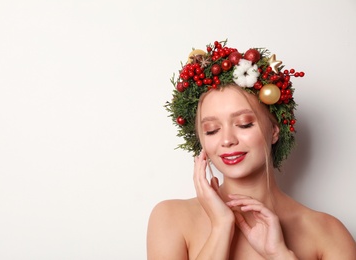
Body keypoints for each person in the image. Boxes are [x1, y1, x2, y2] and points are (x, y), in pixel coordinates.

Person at [147, 39, 356, 259]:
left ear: (275, 131)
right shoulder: (170, 218)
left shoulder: (328, 233)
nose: (227, 140)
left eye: (244, 124)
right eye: (211, 130)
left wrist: (281, 255)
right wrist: (221, 227)